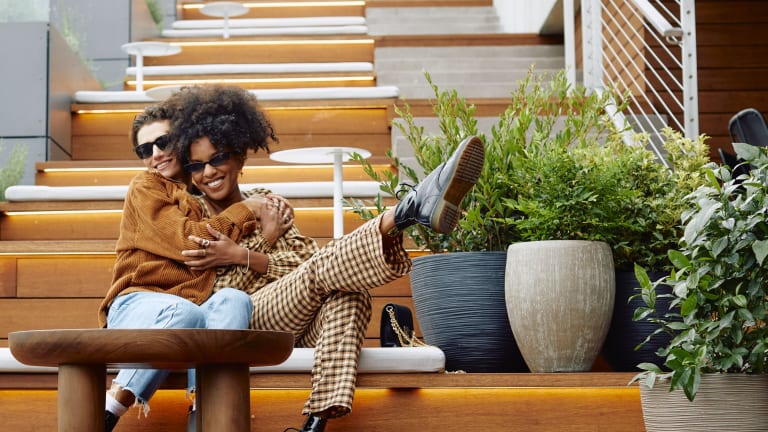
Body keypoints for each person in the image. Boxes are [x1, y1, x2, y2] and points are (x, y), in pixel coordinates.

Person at [168, 85, 485, 432]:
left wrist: (243, 256)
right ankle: (405, 212)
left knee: (349, 291)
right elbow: (218, 293)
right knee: (324, 275)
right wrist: (267, 241)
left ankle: (315, 423)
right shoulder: (193, 216)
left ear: (240, 156)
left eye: (217, 159)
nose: (208, 172)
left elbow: (306, 260)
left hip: (295, 322)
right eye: (196, 165)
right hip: (243, 326)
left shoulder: (266, 201)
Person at [99, 102, 280, 432]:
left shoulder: (203, 189)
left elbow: (236, 239)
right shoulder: (146, 186)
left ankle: (203, 416)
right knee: (185, 314)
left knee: (234, 300)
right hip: (136, 305)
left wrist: (268, 219)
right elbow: (190, 241)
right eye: (145, 149)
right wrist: (247, 209)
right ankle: (108, 411)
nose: (156, 154)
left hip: (190, 313)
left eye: (163, 142)